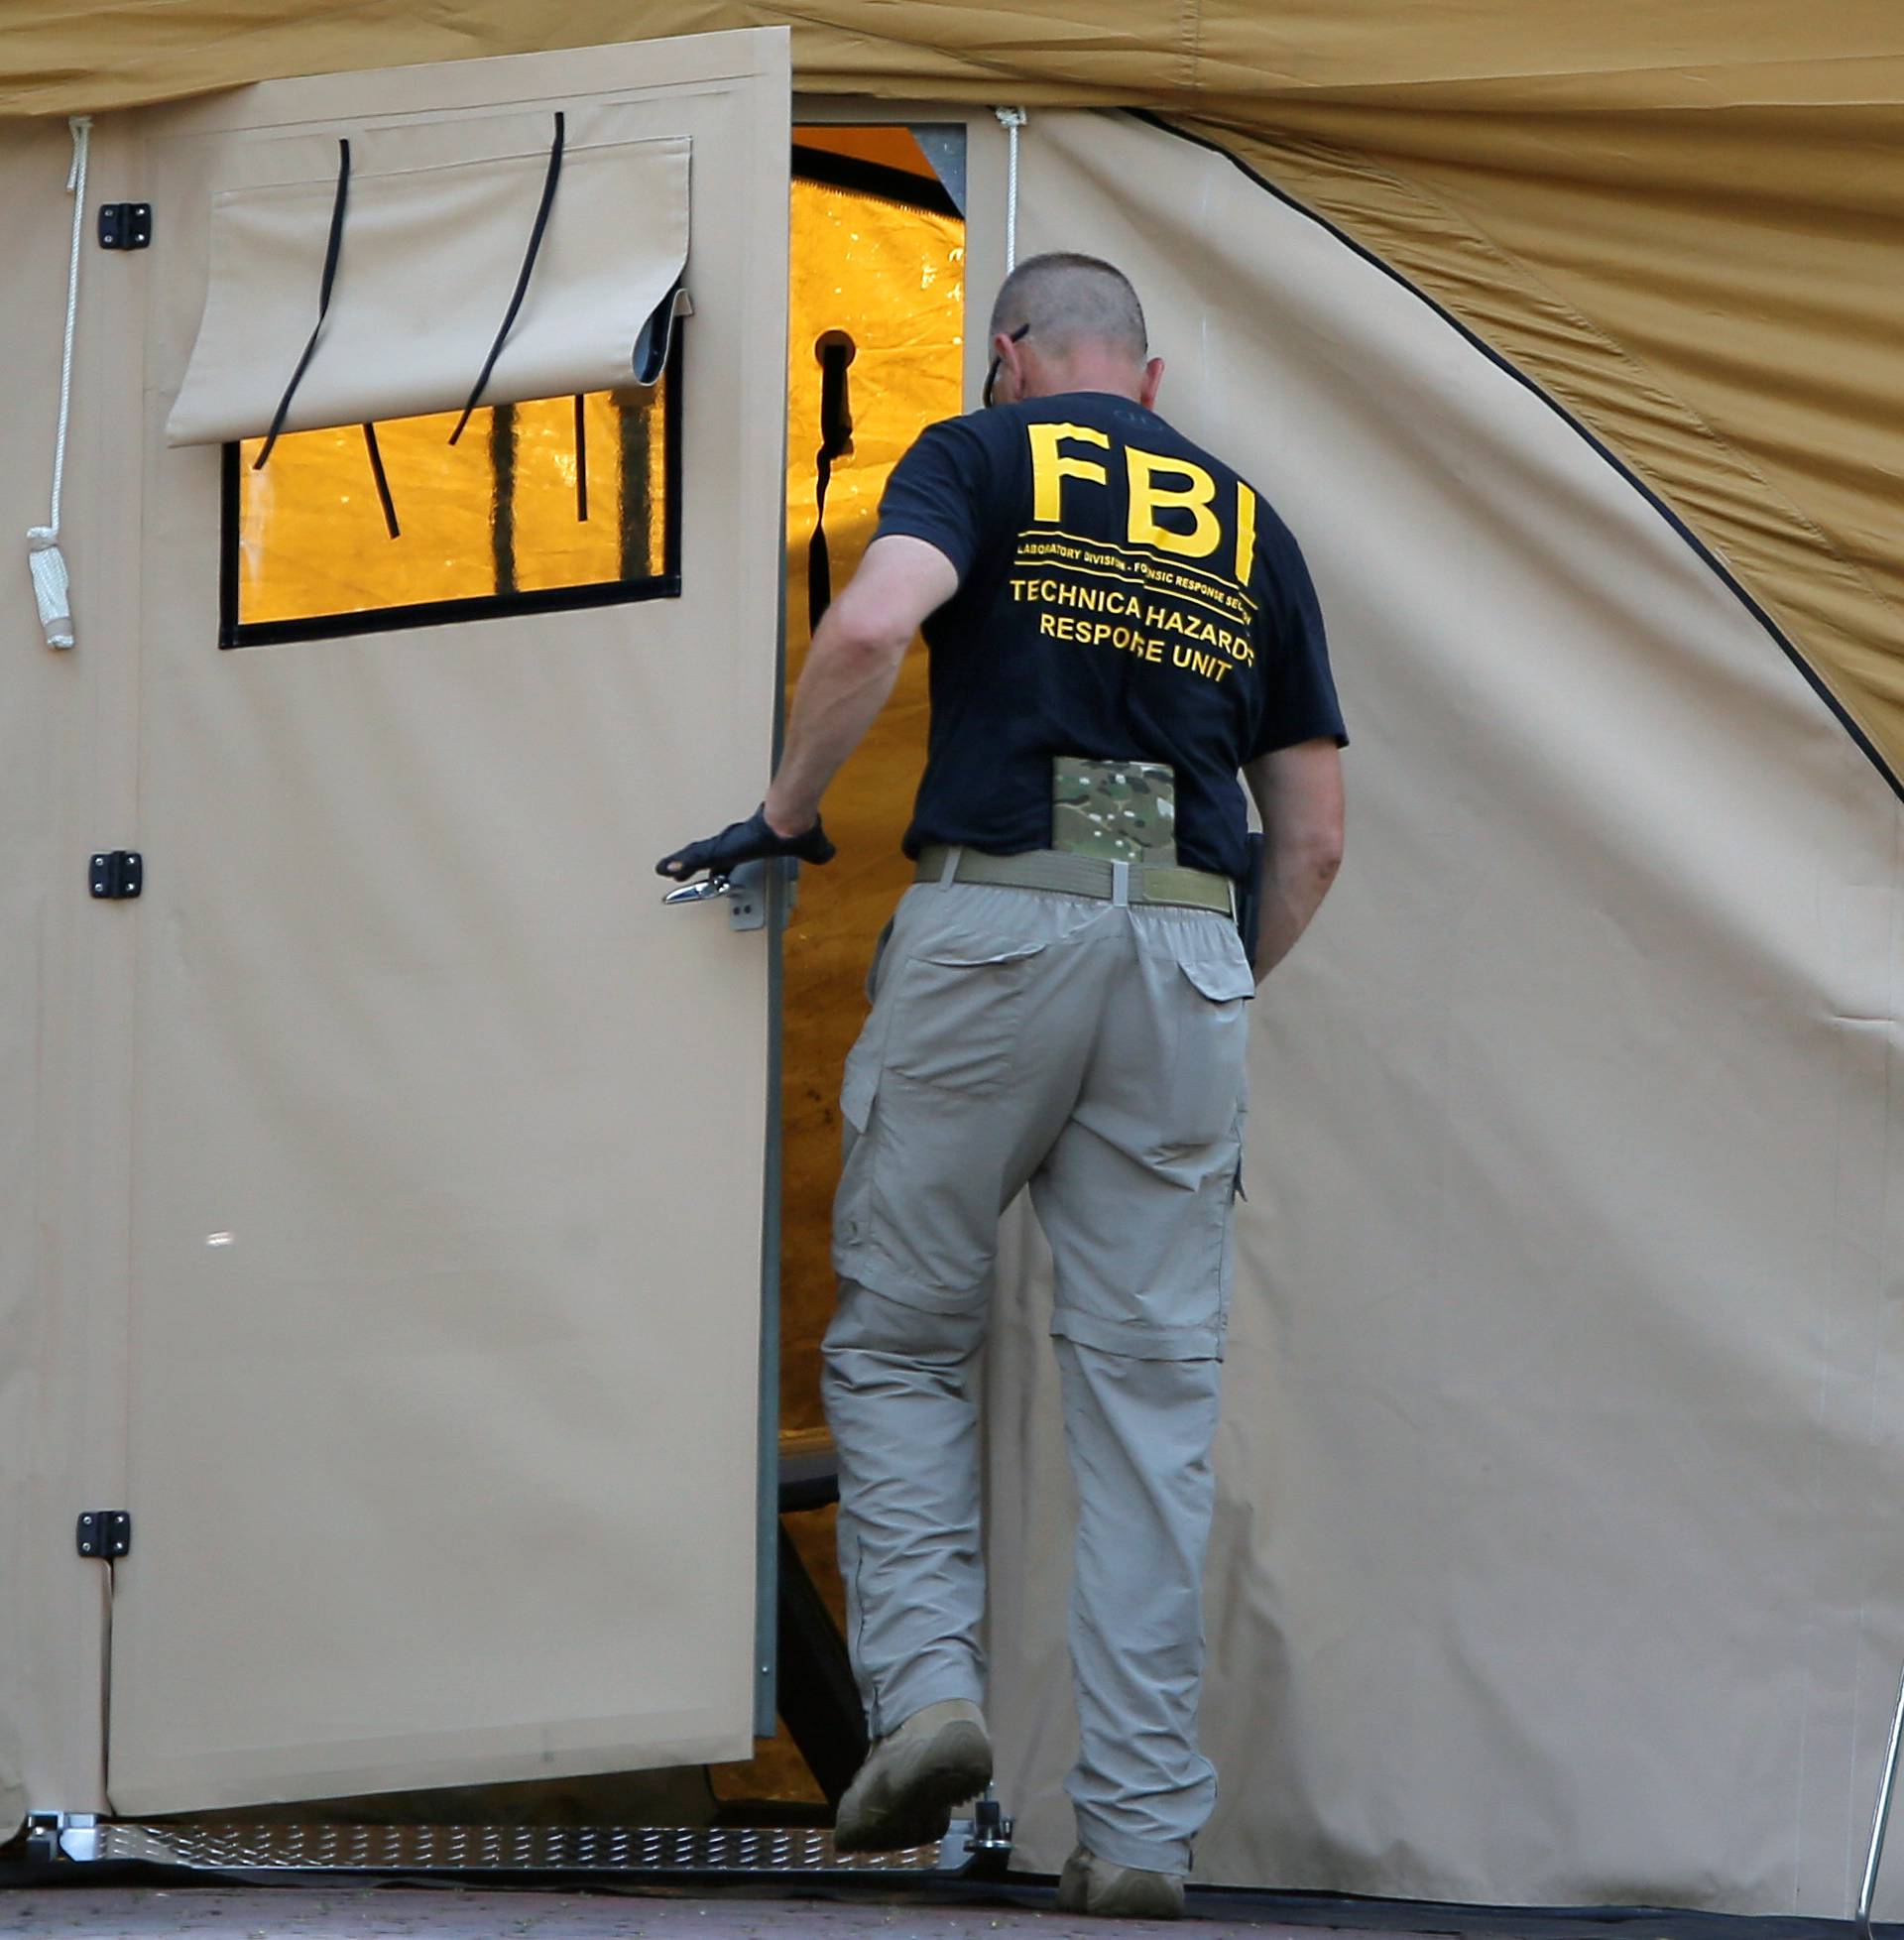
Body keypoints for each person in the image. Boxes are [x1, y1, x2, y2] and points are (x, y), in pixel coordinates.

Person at [657, 252, 1346, 1919]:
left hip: (995, 920)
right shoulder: (1251, 523)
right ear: (1150, 382)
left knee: (901, 1337)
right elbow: (1313, 838)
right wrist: (1194, 992)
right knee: (1148, 1408)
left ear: (1011, 356)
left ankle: (930, 1699)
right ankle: (1141, 1838)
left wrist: (785, 808)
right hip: (1189, 948)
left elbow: (874, 621)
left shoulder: (978, 452)